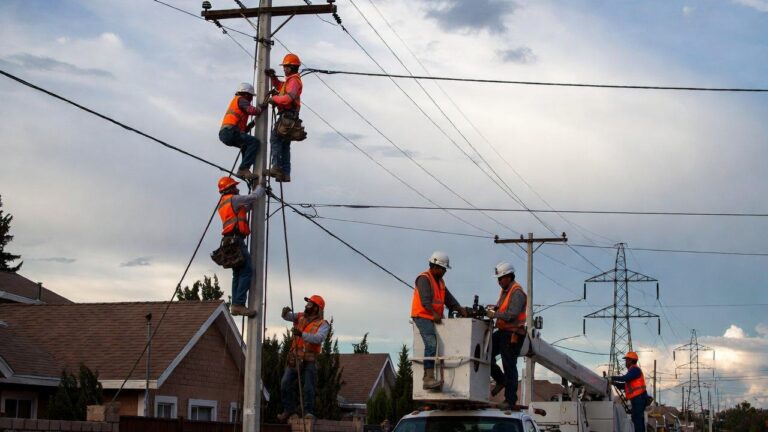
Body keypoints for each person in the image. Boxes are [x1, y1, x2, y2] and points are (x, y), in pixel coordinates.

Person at [410, 251, 468, 390]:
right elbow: (425, 301)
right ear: (435, 266)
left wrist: (459, 308)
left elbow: (448, 298)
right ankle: (428, 378)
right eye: (443, 269)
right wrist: (434, 313)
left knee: (441, 345)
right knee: (431, 343)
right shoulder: (424, 278)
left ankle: (437, 377)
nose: (444, 272)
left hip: (433, 317)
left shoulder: (440, 282)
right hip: (422, 316)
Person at [216, 176, 265, 317]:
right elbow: (253, 197)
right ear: (230, 188)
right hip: (236, 240)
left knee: (237, 273)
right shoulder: (234, 199)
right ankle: (238, 304)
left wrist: (257, 197)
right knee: (247, 270)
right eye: (235, 186)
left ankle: (236, 305)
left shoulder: (224, 202)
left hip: (228, 241)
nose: (237, 188)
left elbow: (245, 208)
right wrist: (261, 187)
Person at [278, 295, 330, 421]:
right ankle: (289, 409)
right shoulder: (301, 316)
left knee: (308, 387)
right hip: (295, 358)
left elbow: (319, 338)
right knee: (285, 383)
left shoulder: (323, 324)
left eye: (310, 304)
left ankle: (308, 412)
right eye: (308, 303)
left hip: (310, 360)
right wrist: (285, 313)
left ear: (317, 308)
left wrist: (302, 334)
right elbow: (288, 316)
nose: (307, 305)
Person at [486, 262, 526, 409]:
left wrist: (494, 314)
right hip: (503, 332)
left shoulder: (517, 292)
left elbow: (512, 314)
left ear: (509, 277)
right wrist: (494, 308)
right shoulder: (506, 291)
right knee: (485, 353)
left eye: (501, 278)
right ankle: (500, 380)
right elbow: (503, 308)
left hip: (513, 333)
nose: (499, 281)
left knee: (509, 365)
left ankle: (510, 400)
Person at [264, 53, 304, 183]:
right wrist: (273, 78)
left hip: (287, 115)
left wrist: (273, 99)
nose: (284, 69)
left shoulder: (294, 81)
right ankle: (285, 173)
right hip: (290, 116)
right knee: (285, 146)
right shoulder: (290, 81)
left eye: (286, 66)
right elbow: (281, 88)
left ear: (292, 67)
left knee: (275, 139)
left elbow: (288, 98)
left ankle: (276, 167)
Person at [219, 82, 264, 181]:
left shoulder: (237, 102)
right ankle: (243, 168)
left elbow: (243, 130)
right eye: (251, 96)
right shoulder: (241, 99)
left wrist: (252, 124)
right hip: (230, 132)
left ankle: (243, 170)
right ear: (246, 94)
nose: (252, 99)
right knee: (254, 142)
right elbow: (252, 111)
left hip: (226, 133)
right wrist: (261, 109)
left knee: (246, 145)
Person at [610, 352, 648, 432]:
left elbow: (625, 378)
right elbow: (626, 386)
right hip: (638, 399)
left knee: (637, 419)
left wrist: (613, 378)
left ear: (631, 360)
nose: (625, 362)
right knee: (637, 419)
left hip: (639, 398)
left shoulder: (635, 369)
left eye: (626, 360)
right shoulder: (633, 371)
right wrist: (615, 383)